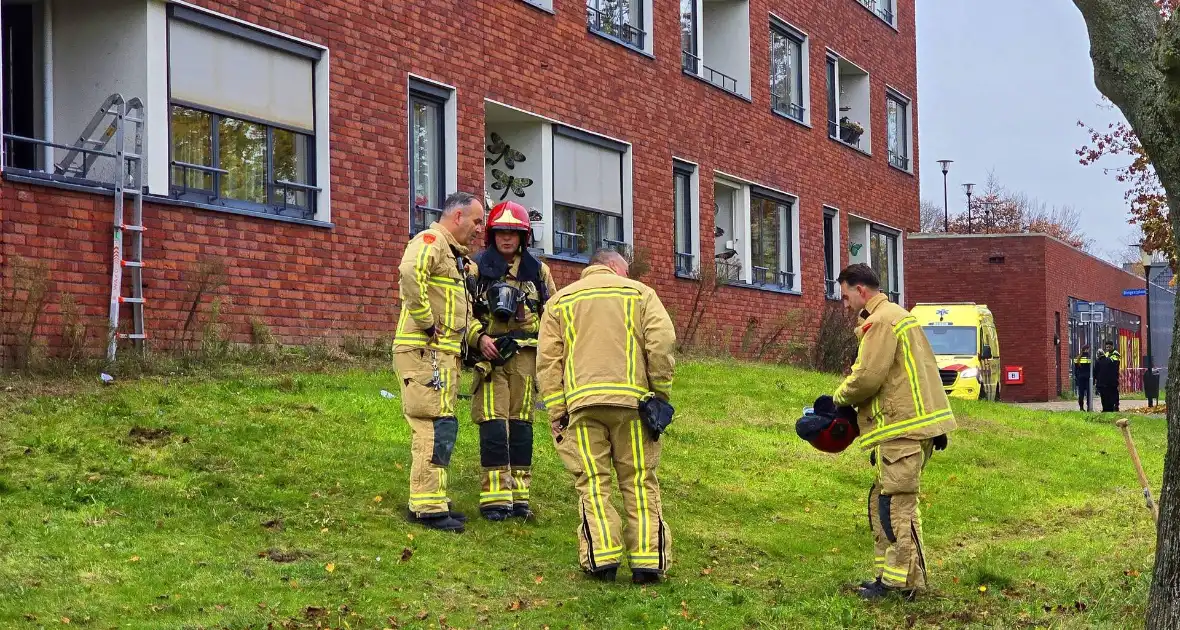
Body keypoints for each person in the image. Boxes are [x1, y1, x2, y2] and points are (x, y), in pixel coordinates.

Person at [538, 249, 676, 584]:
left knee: (593, 484)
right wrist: (659, 394)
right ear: (614, 266)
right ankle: (648, 562)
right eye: (625, 270)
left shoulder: (559, 301)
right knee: (639, 481)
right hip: (634, 407)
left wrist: (558, 409)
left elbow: (547, 361)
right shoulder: (641, 294)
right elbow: (662, 343)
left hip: (582, 408)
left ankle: (602, 560)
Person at [828, 264, 957, 600]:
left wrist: (838, 398)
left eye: (845, 297)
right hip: (912, 426)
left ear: (861, 291)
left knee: (896, 509)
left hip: (904, 430)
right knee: (884, 502)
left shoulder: (881, 321)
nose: (844, 305)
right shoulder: (899, 315)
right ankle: (896, 579)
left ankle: (901, 585)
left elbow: (868, 377)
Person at [394, 191, 499, 533]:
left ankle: (432, 497)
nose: (480, 230)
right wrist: (426, 321)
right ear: (457, 217)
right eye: (477, 221)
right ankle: (427, 506)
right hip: (425, 351)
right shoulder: (430, 241)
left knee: (442, 423)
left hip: (441, 354)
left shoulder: (454, 257)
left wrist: (477, 339)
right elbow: (410, 274)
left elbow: (458, 313)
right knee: (430, 423)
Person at [469, 201, 557, 521]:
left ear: (524, 236)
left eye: (514, 233)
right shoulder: (476, 267)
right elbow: (461, 311)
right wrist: (479, 338)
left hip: (526, 357)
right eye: (501, 232)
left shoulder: (539, 271)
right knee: (493, 421)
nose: (507, 239)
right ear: (492, 235)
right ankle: (495, 497)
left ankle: (519, 497)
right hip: (490, 357)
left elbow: (554, 316)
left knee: (521, 424)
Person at [1095, 341, 1122, 413]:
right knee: (1108, 394)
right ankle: (1108, 407)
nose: (1108, 348)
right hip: (1107, 378)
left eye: (1109, 347)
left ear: (1112, 346)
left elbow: (1114, 364)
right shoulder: (1106, 354)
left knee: (1114, 393)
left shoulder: (1116, 354)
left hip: (1113, 376)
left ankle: (1116, 406)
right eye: (1107, 347)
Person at [1073, 345, 1093, 412]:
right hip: (1087, 378)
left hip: (1080, 378)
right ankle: (1088, 407)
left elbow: (1075, 371)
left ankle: (1081, 408)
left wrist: (1077, 378)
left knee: (1081, 394)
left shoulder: (1077, 358)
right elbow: (1092, 369)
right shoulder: (1089, 358)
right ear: (1087, 349)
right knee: (1088, 394)